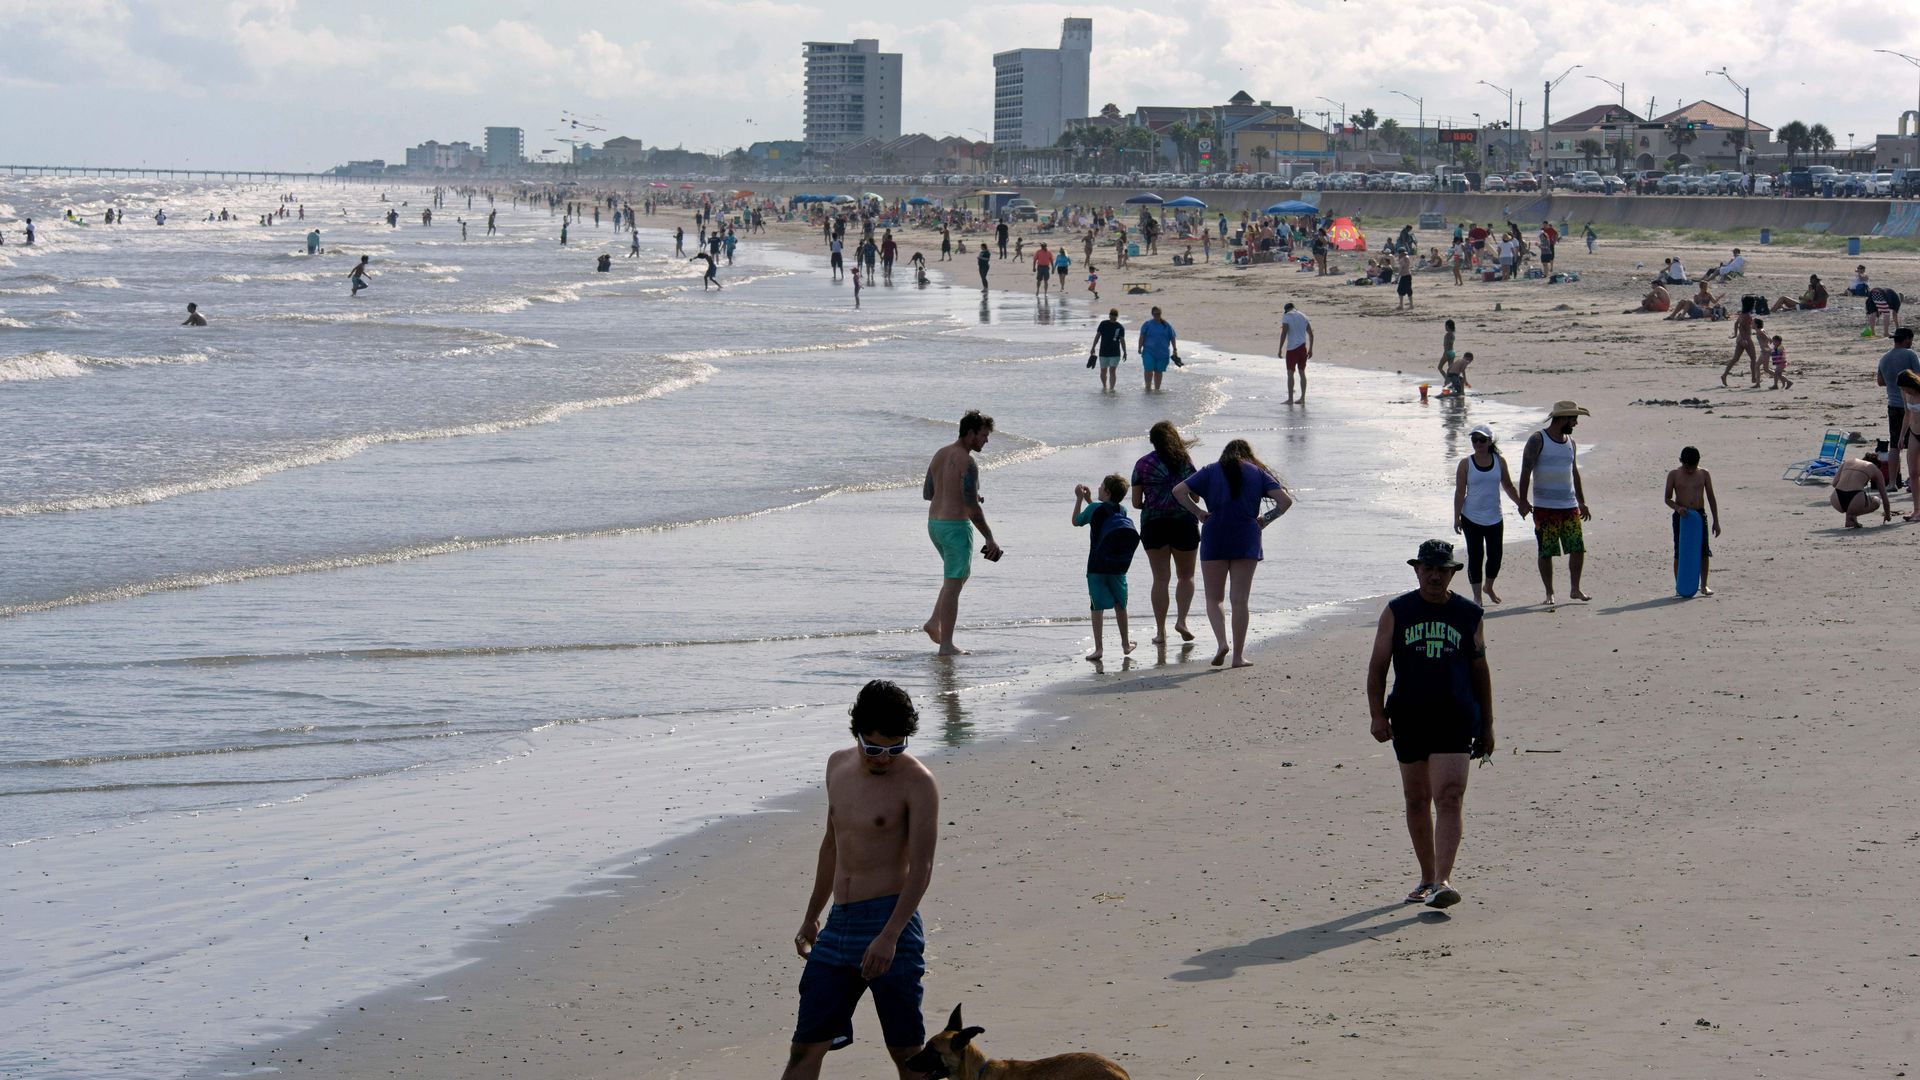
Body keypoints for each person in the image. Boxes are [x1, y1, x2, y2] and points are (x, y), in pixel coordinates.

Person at [785, 679, 937, 1080]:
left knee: (907, 1053)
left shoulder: (919, 783)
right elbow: (830, 847)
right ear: (856, 735)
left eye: (895, 747)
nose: (884, 758)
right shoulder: (837, 766)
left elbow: (921, 868)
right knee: (805, 1046)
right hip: (839, 926)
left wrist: (889, 936)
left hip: (891, 922)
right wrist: (811, 915)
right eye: (873, 748)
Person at [1366, 539, 1494, 911]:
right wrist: (1377, 714)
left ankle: (1443, 880)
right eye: (1428, 569)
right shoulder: (1397, 611)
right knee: (1417, 799)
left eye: (1442, 569)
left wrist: (1487, 725)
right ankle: (1426, 876)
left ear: (1453, 572)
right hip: (1408, 716)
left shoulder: (1469, 614)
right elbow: (1377, 666)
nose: (1435, 575)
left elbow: (1480, 670)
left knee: (1450, 796)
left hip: (1455, 716)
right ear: (1417, 570)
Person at [1171, 439, 1292, 668]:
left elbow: (1178, 491)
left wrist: (1198, 512)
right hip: (1246, 535)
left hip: (1215, 533)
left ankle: (1221, 643)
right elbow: (1284, 501)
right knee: (1239, 601)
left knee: (1214, 598)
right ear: (1247, 455)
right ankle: (1237, 657)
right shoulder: (1257, 473)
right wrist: (1264, 520)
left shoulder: (1210, 471)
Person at [922, 411, 1002, 656]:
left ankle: (935, 622)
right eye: (984, 435)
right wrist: (989, 537)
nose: (986, 441)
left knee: (954, 578)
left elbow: (928, 493)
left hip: (935, 525)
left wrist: (961, 494)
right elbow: (971, 508)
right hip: (955, 527)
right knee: (954, 583)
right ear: (970, 434)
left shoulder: (941, 453)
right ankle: (946, 645)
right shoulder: (968, 462)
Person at [1517, 401, 1593, 607]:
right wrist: (1523, 501)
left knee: (1577, 548)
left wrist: (1582, 502)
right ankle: (1549, 592)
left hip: (1569, 506)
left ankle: (1575, 589)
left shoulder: (1571, 442)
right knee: (1546, 551)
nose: (1576, 423)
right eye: (1573, 419)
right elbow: (1525, 470)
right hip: (1544, 507)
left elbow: (1574, 472)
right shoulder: (1537, 439)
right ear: (1561, 418)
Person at [1132, 421, 1200, 646]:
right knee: (1186, 576)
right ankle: (1181, 621)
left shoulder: (1142, 464)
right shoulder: (1184, 461)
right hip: (1183, 522)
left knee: (1161, 578)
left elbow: (1136, 502)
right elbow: (1197, 496)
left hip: (1153, 524)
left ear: (1152, 440)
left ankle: (1161, 632)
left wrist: (1155, 502)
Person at [1452, 424, 1526, 606]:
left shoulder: (1499, 461)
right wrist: (1456, 517)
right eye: (1474, 440)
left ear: (1489, 441)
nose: (1478, 443)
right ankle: (1477, 596)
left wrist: (1521, 504)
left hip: (1494, 517)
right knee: (1476, 556)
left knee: (1495, 556)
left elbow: (1508, 486)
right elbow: (1460, 492)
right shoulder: (1465, 464)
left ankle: (1489, 586)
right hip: (1471, 517)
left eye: (1482, 440)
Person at [1072, 475, 1137, 661]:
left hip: (1096, 565)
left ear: (1107, 492)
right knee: (1120, 604)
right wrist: (1089, 500)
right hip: (1117, 565)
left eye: (1101, 486)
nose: (1098, 487)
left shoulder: (1094, 508)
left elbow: (1077, 521)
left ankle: (1099, 648)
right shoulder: (1122, 510)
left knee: (1096, 606)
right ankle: (1125, 644)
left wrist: (1079, 499)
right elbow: (1106, 517)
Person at [1664, 446, 1722, 595]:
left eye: (1693, 467)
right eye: (1687, 467)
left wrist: (1716, 521)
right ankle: (1680, 586)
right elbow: (1667, 498)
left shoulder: (1704, 474)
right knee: (1680, 551)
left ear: (1698, 462)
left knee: (1703, 551)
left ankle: (1704, 585)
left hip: (1699, 515)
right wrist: (1677, 508)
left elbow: (1711, 498)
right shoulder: (1674, 475)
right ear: (1680, 461)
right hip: (1681, 517)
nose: (1690, 471)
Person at [1876, 327, 1920, 489]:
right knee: (1915, 444)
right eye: (1911, 339)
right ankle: (1911, 481)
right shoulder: (1910, 355)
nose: (1912, 342)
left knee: (1895, 445)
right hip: (1913, 405)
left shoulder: (1884, 358)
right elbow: (1918, 377)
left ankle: (1893, 482)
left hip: (1893, 405)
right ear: (1907, 339)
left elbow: (1880, 381)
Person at [1829, 455, 1892, 528]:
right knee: (1876, 501)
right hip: (1856, 498)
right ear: (1877, 465)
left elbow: (1834, 484)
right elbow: (1885, 498)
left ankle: (1849, 521)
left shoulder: (1848, 461)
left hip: (1836, 498)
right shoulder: (1875, 469)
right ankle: (1852, 515)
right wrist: (1888, 515)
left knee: (1854, 500)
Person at [1277, 301, 1313, 404]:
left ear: (1286, 310)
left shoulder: (1287, 316)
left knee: (1290, 373)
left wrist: (1280, 348)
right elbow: (1311, 334)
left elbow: (1284, 333)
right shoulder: (1303, 316)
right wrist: (1310, 349)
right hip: (1302, 348)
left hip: (1292, 349)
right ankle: (1302, 398)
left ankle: (1290, 399)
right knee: (1302, 373)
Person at [1137, 306, 1178, 392]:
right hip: (1149, 351)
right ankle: (1148, 388)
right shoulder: (1147, 324)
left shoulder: (1166, 325)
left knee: (1158, 372)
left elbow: (1172, 337)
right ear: (1152, 314)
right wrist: (1139, 347)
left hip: (1163, 353)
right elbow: (1142, 336)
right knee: (1148, 370)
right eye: (1155, 314)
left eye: (1159, 314)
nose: (1157, 315)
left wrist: (1175, 349)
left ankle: (1157, 390)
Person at [1898, 369, 1920, 520]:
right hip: (1913, 433)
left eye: (1906, 388)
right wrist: (1901, 436)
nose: (1905, 391)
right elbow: (1907, 414)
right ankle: (1916, 509)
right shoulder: (1905, 393)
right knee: (1913, 473)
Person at [1090, 308, 1127, 393]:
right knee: (1103, 371)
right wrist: (1093, 347)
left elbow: (1122, 340)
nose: (1113, 316)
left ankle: (1111, 389)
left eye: (1115, 315)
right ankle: (1104, 386)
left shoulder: (1120, 327)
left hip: (1115, 353)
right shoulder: (1103, 324)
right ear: (1109, 315)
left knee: (1112, 370)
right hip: (1103, 352)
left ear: (1117, 316)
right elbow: (1098, 336)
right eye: (1112, 314)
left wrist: (1125, 352)